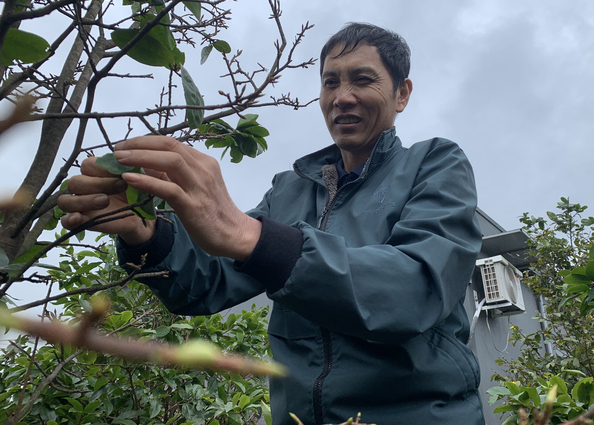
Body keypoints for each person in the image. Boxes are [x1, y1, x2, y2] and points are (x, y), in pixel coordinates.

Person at [58, 23, 484, 425]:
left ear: (401, 93)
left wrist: (251, 235)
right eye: (330, 81)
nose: (343, 96)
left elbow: (414, 289)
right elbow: (210, 280)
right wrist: (145, 232)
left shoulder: (434, 163)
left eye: (363, 79)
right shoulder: (291, 190)